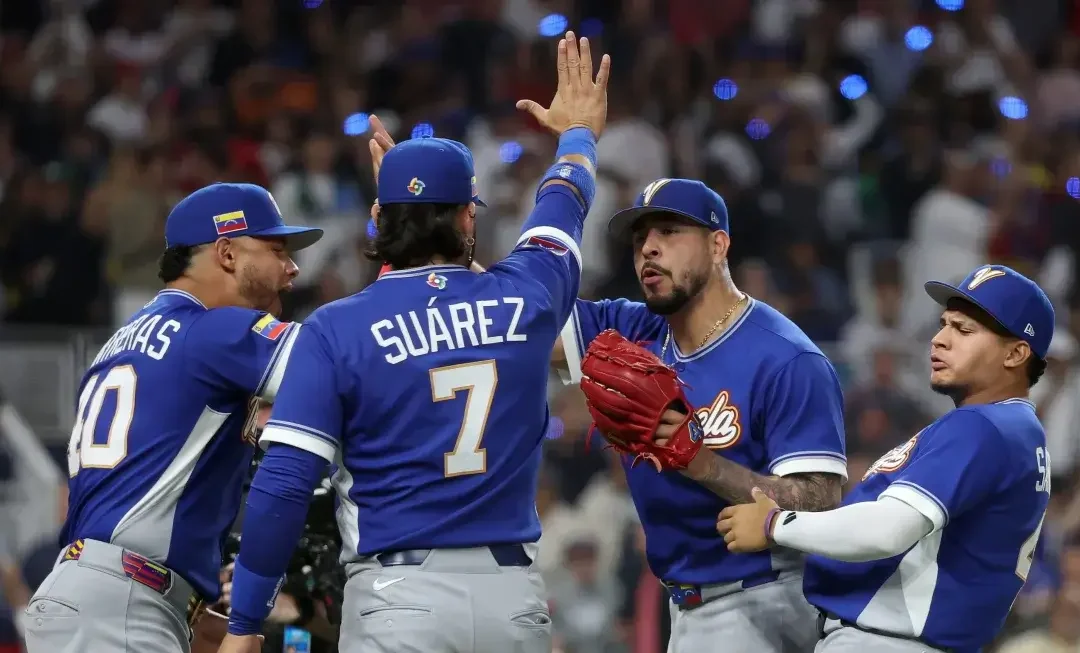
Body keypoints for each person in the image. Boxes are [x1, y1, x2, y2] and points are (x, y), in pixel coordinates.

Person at [217, 32, 610, 653]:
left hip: (400, 598)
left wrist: (244, 624)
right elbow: (563, 205)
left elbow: (286, 484)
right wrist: (578, 137)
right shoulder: (529, 295)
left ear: (379, 217)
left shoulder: (336, 327)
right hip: (511, 602)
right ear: (468, 216)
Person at [21, 182, 322, 653]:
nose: (292, 267)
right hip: (124, 602)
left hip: (99, 594)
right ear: (226, 253)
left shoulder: (119, 343)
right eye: (276, 249)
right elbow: (349, 368)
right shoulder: (210, 330)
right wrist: (410, 243)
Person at [551, 178, 848, 652]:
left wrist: (704, 464)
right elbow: (509, 322)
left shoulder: (787, 358)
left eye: (669, 231)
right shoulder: (631, 330)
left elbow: (822, 503)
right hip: (685, 605)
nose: (648, 249)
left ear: (718, 245)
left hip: (764, 598)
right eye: (640, 239)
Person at [717, 264, 1054, 653]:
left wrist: (775, 524)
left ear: (1015, 353)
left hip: (886, 642)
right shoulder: (1017, 430)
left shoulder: (986, 426)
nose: (939, 340)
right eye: (943, 324)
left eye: (963, 330)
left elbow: (887, 530)